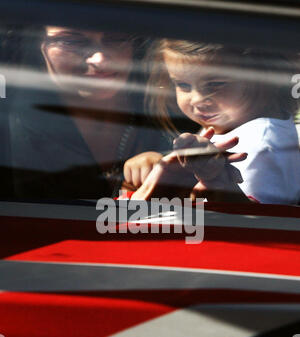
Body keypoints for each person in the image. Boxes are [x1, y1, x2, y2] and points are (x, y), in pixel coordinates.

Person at [125, 39, 300, 204]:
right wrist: (159, 166)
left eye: (216, 84)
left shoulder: (260, 144)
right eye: (183, 85)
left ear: (263, 77)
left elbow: (251, 222)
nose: (196, 99)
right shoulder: (232, 126)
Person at [4, 26, 170, 199]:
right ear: (37, 45)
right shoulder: (9, 131)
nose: (100, 60)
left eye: (116, 38)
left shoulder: (176, 110)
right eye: (71, 41)